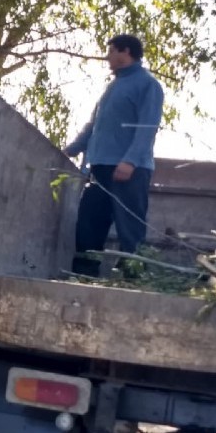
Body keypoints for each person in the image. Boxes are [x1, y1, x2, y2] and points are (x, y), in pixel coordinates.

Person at [64, 34, 164, 277]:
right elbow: (94, 126)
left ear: (125, 52)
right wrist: (71, 150)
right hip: (99, 168)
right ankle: (85, 274)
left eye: (111, 51)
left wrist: (130, 160)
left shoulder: (147, 85)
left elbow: (147, 127)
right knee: (89, 222)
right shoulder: (113, 87)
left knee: (129, 226)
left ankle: (133, 277)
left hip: (129, 170)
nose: (107, 57)